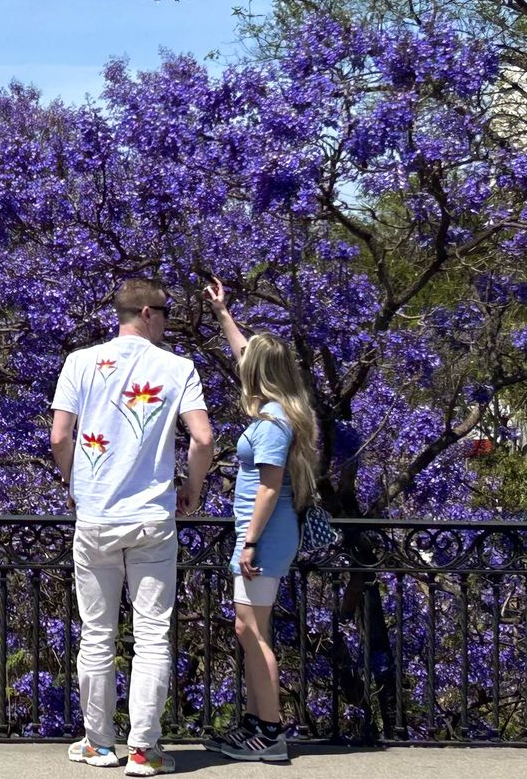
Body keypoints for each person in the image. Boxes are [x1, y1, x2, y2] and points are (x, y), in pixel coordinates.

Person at [52, 278, 214, 776]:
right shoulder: (178, 368)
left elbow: (60, 435)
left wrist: (78, 485)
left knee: (98, 634)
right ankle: (144, 750)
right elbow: (203, 438)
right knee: (151, 635)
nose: (168, 321)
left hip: (97, 517)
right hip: (151, 518)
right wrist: (193, 488)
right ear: (146, 313)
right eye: (165, 312)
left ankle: (99, 745)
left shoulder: (80, 362)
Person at [202, 278, 320, 763]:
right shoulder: (280, 408)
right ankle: (256, 724)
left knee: (250, 632)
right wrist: (223, 313)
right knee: (252, 631)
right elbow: (245, 352)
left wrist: (248, 543)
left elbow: (270, 487)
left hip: (263, 538)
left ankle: (270, 733)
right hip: (264, 536)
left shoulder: (272, 422)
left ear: (262, 375)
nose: (241, 367)